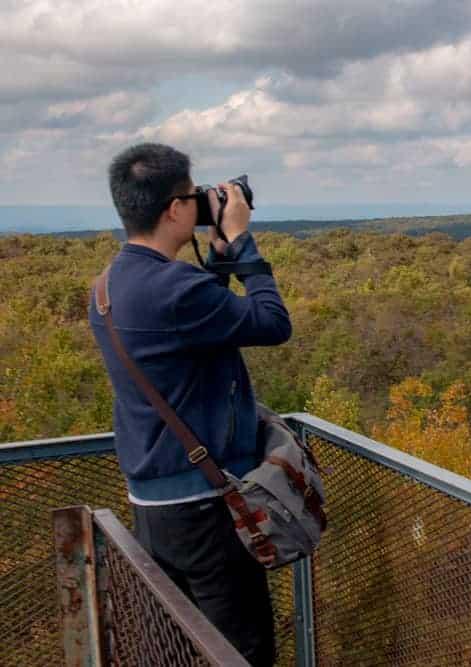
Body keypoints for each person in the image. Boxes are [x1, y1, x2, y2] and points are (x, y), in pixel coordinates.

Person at [88, 143, 291, 666]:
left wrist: (216, 261)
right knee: (240, 650)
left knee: (178, 647)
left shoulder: (107, 287)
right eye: (192, 195)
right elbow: (272, 323)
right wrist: (243, 245)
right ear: (175, 209)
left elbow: (188, 328)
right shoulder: (175, 287)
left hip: (153, 505)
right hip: (206, 507)